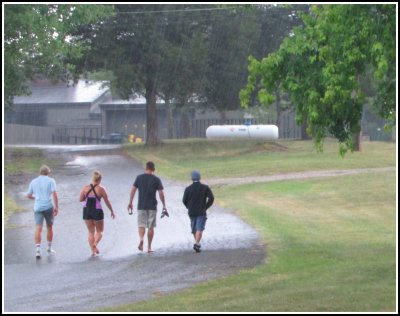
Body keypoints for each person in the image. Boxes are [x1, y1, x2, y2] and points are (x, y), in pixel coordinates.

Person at [128, 161, 167, 253]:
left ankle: (141, 239)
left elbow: (133, 190)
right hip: (152, 206)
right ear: (154, 169)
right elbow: (161, 193)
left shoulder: (139, 178)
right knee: (150, 226)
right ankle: (149, 247)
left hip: (141, 205)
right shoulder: (156, 179)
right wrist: (164, 205)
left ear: (146, 169)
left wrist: (130, 202)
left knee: (141, 224)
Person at [79, 171, 115, 257]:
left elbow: (80, 199)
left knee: (91, 232)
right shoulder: (101, 189)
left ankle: (92, 251)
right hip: (97, 210)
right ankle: (94, 244)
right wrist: (111, 211)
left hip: (86, 210)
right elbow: (107, 201)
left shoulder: (85, 188)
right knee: (100, 231)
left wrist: (87, 198)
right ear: (100, 179)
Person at [27, 165, 59, 259]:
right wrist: (56, 207)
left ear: (39, 172)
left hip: (37, 207)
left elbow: (29, 195)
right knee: (49, 227)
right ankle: (49, 248)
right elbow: (54, 194)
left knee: (38, 228)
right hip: (48, 206)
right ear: (48, 173)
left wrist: (35, 197)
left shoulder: (34, 182)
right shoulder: (51, 181)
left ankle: (37, 250)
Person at [183, 170, 214, 253]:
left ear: (191, 179)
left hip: (192, 212)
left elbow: (184, 200)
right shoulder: (205, 187)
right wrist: (206, 207)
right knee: (199, 228)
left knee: (194, 228)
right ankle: (197, 243)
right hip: (201, 211)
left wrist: (189, 207)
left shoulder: (188, 189)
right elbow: (211, 198)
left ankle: (197, 243)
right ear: (200, 178)